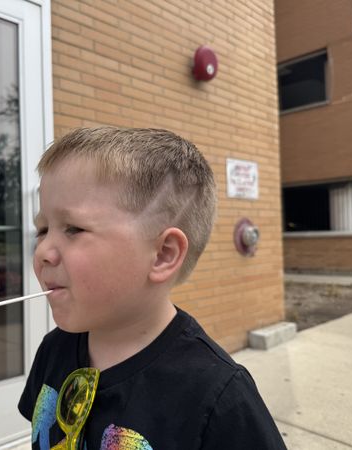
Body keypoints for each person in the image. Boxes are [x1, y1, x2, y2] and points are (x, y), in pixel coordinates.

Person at [19, 127, 287, 449]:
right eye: (42, 230)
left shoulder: (218, 398)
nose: (43, 252)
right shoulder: (54, 349)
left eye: (73, 229)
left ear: (162, 255)